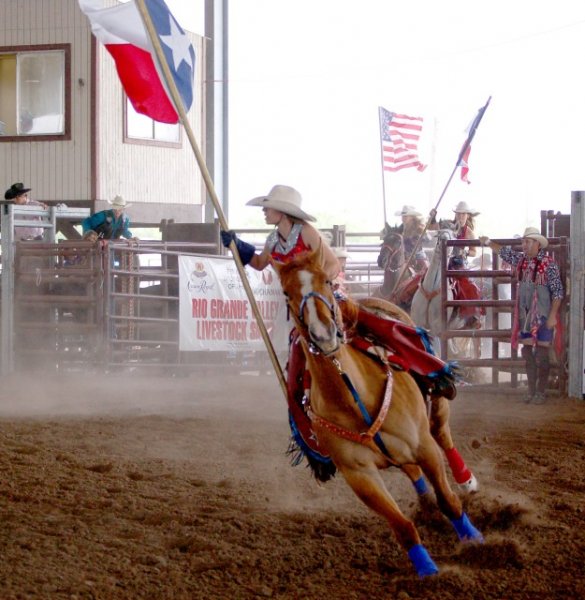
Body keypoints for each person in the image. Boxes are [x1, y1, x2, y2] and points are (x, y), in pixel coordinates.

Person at [221, 184, 459, 473]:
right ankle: (315, 441)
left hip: (329, 300)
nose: (263, 210)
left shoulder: (307, 233)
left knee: (382, 325)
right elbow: (260, 264)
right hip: (302, 315)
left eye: (267, 206)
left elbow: (332, 265)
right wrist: (237, 245)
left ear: (282, 212)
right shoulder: (273, 240)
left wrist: (317, 286)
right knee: (294, 376)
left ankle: (433, 372)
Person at [479, 228, 564, 404]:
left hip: (542, 315)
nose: (524, 245)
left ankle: (540, 392)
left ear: (537, 244)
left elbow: (558, 293)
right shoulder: (522, 261)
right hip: (526, 317)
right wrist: (487, 242)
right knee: (527, 353)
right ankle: (532, 391)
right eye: (524, 242)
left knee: (541, 354)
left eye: (527, 242)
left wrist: (552, 316)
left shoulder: (549, 264)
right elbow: (504, 252)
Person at [394, 204, 430, 273]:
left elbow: (426, 239)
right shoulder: (401, 228)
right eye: (402, 216)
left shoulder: (419, 228)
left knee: (424, 271)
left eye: (405, 216)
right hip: (404, 257)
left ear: (412, 217)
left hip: (418, 257)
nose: (403, 218)